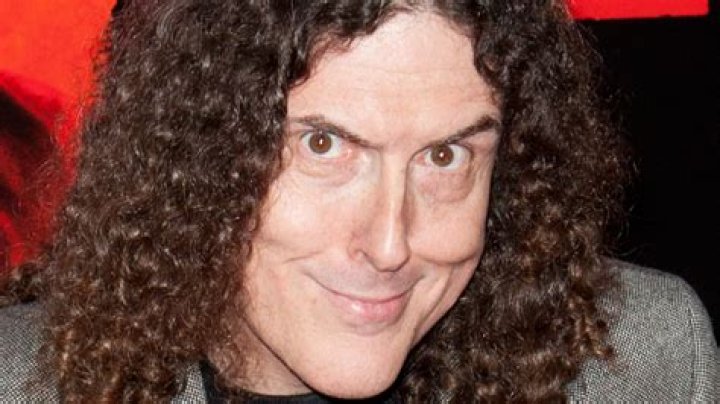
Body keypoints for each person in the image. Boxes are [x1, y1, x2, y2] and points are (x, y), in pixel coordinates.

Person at [1, 1, 718, 402]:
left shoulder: (642, 365)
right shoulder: (18, 382)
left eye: (445, 156)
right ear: (193, 154)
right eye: (324, 146)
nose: (389, 243)